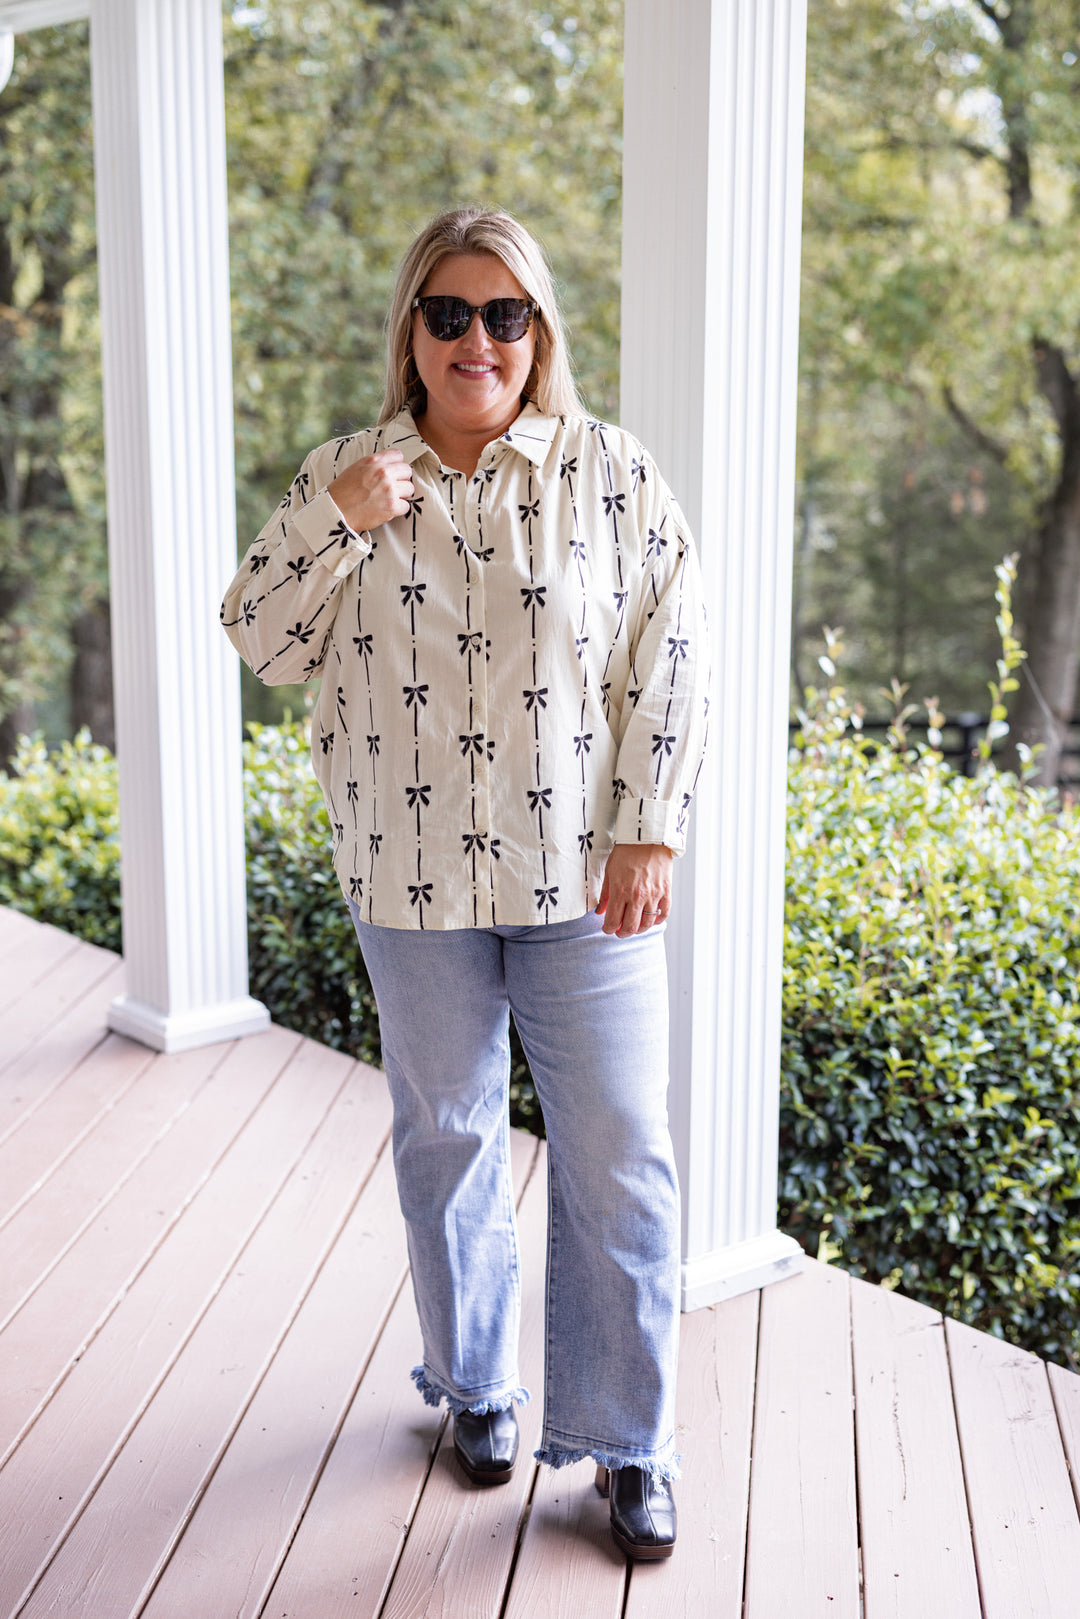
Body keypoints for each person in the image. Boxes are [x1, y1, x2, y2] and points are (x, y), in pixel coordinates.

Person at [221, 207, 709, 1561]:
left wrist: (650, 826)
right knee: (445, 1141)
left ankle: (626, 1439)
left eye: (506, 315)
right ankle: (477, 1386)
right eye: (450, 312)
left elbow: (671, 651)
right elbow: (259, 637)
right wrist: (335, 520)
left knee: (622, 1157)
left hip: (581, 889)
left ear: (539, 333)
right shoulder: (352, 474)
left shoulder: (608, 473)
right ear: (413, 331)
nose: (478, 339)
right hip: (409, 880)